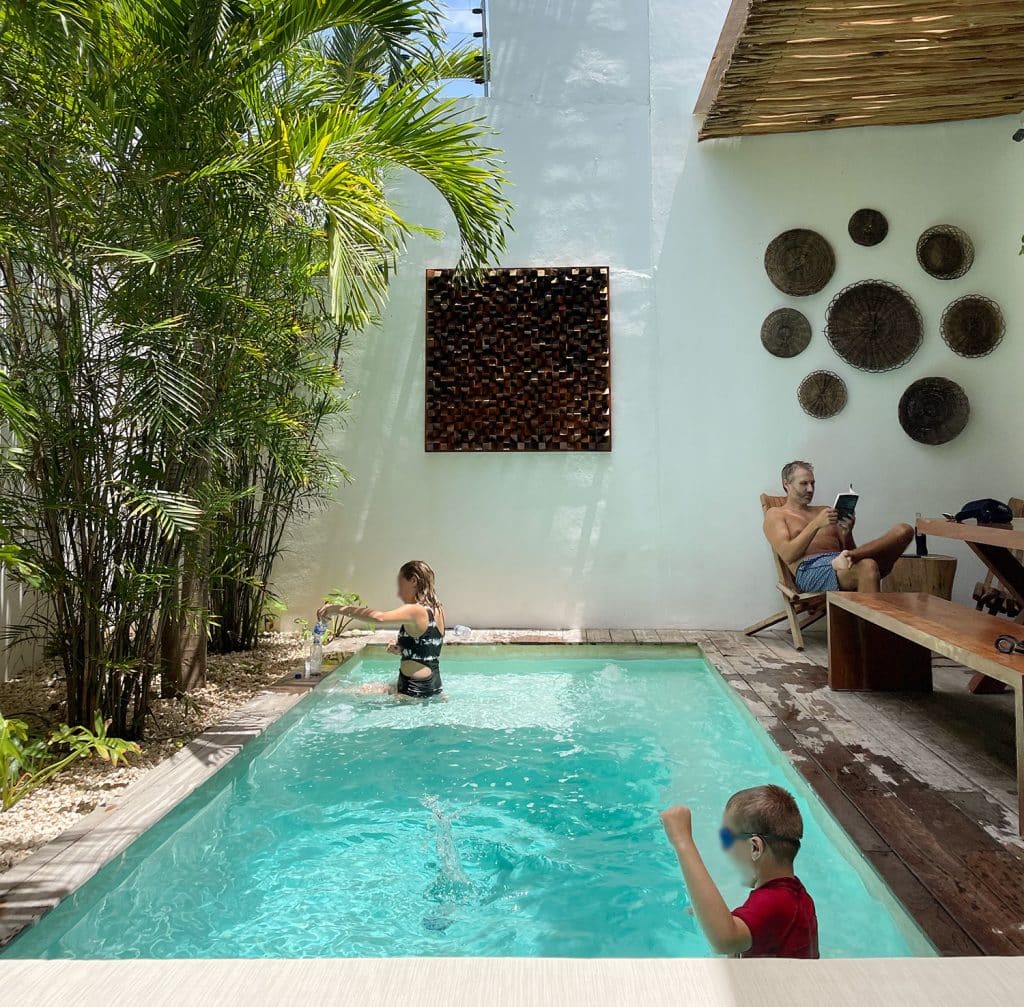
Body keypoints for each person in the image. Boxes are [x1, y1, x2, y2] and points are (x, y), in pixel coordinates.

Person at [660, 785, 819, 958]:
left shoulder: (776, 902)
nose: (724, 847)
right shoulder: (795, 897)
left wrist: (682, 840)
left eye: (727, 838)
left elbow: (724, 941)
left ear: (755, 847)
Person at [764, 460, 913, 593]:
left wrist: (848, 533)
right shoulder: (776, 514)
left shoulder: (824, 510)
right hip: (809, 570)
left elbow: (847, 548)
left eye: (813, 483)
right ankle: (854, 560)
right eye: (804, 483)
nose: (810, 489)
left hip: (842, 561)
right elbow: (788, 555)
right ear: (786, 484)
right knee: (867, 566)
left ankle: (855, 557)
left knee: (904, 531)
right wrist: (816, 524)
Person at [317, 560, 445, 698]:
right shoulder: (437, 609)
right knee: (364, 689)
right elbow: (427, 649)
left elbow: (379, 617)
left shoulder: (415, 610)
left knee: (346, 696)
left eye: (401, 586)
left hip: (414, 690)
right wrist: (403, 649)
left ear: (413, 581)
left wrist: (335, 609)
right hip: (432, 684)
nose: (399, 594)